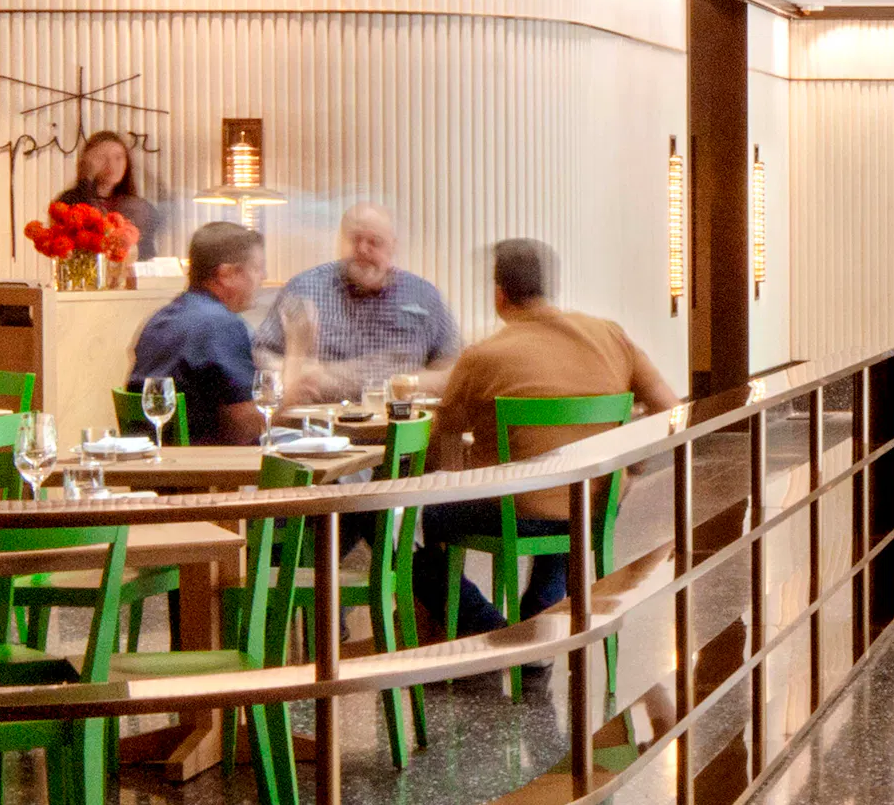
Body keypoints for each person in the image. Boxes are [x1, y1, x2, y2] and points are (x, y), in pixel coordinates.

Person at [423, 238, 682, 633]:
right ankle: (543, 603)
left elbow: (442, 444)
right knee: (567, 489)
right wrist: (629, 473)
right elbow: (672, 411)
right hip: (593, 503)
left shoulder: (483, 356)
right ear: (547, 288)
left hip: (516, 511)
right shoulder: (610, 336)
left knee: (428, 518)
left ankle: (487, 628)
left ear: (499, 295)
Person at [257, 202, 460, 404]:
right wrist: (291, 369)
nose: (362, 249)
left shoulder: (423, 296)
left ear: (392, 246)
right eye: (355, 239)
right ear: (340, 242)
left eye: (374, 242)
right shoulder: (304, 290)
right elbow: (261, 357)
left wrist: (336, 378)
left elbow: (453, 369)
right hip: (320, 429)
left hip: (399, 426)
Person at [129, 220, 266, 445]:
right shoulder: (221, 325)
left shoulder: (160, 319)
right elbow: (244, 429)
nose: (263, 276)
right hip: (205, 469)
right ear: (226, 274)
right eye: (256, 268)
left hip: (154, 467)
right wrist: (295, 387)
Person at [51, 127, 165, 257]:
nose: (111, 165)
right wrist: (87, 180)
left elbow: (146, 257)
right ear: (87, 162)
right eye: (101, 158)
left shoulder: (139, 207)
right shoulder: (70, 201)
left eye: (118, 157)